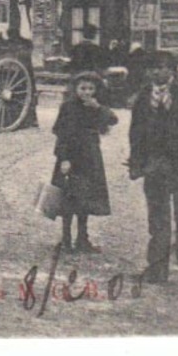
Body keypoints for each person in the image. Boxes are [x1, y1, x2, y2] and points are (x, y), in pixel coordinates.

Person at [129, 56, 178, 289]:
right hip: (155, 166)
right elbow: (136, 133)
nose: (157, 72)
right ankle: (157, 268)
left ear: (172, 71)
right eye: (153, 67)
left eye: (162, 67)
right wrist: (136, 163)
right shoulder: (143, 97)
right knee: (158, 219)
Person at [51, 70, 118, 253]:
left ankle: (82, 238)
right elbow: (60, 133)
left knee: (85, 199)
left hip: (90, 157)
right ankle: (65, 239)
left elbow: (113, 119)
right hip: (71, 156)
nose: (86, 92)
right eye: (83, 88)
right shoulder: (67, 107)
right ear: (75, 89)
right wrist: (63, 158)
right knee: (68, 198)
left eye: (90, 89)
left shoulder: (96, 107)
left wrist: (97, 107)